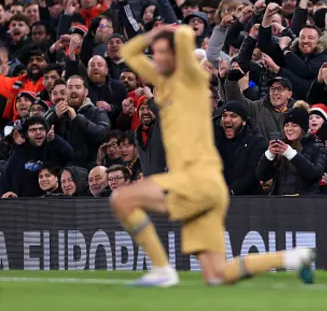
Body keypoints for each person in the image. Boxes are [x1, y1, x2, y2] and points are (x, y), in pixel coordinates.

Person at [114, 25, 315, 287]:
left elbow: (184, 40)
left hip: (195, 179)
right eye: (156, 52)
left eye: (164, 52)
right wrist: (151, 38)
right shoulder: (166, 83)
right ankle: (294, 257)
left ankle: (162, 269)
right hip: (207, 188)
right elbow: (128, 54)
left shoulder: (193, 80)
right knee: (216, 274)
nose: (158, 57)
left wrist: (167, 32)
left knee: (122, 200)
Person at [256, 105, 327, 195]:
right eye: (286, 125)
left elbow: (314, 175)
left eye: (294, 125)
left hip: (305, 203)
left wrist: (290, 154)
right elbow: (262, 175)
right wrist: (269, 154)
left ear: (303, 128)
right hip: (278, 202)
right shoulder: (280, 146)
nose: (289, 129)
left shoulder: (317, 146)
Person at [215, 100, 267, 195]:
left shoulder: (257, 142)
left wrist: (230, 192)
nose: (227, 120)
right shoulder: (215, 140)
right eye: (224, 115)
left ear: (243, 121)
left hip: (248, 202)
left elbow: (253, 175)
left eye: (233, 116)